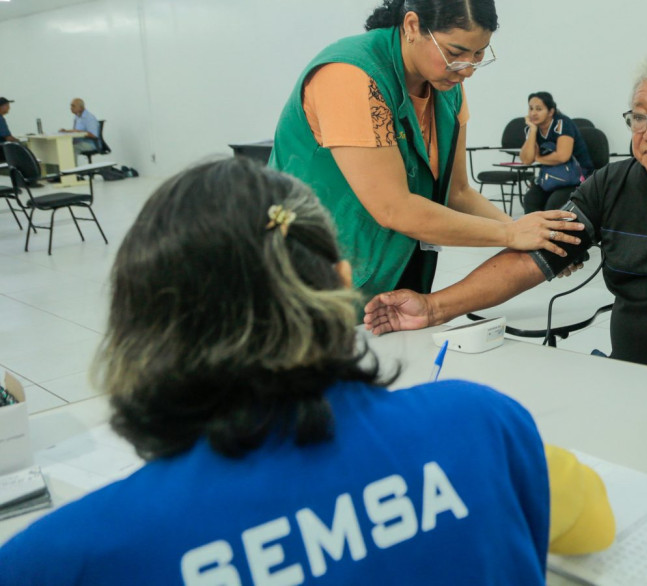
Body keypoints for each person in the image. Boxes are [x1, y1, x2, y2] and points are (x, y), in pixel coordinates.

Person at [0, 157, 613, 584]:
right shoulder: (482, 422)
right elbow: (594, 526)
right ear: (341, 285)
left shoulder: (62, 558)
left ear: (140, 321)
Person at [366, 48, 647, 434]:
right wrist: (434, 306)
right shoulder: (611, 184)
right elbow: (532, 259)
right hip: (631, 383)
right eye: (639, 116)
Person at [269, 0, 583, 300]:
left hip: (391, 265)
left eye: (479, 54)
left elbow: (458, 191)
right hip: (310, 271)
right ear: (413, 25)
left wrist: (532, 234)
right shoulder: (351, 75)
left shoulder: (446, 86)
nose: (468, 70)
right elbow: (395, 208)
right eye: (456, 53)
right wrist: (510, 235)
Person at [520, 92, 595, 213]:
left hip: (576, 178)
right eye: (531, 108)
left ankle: (551, 232)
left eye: (539, 109)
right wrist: (533, 131)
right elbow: (526, 160)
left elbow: (562, 156)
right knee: (530, 199)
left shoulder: (562, 123)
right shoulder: (532, 128)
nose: (533, 113)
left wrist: (538, 158)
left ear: (550, 112)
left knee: (554, 204)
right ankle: (533, 231)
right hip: (551, 178)